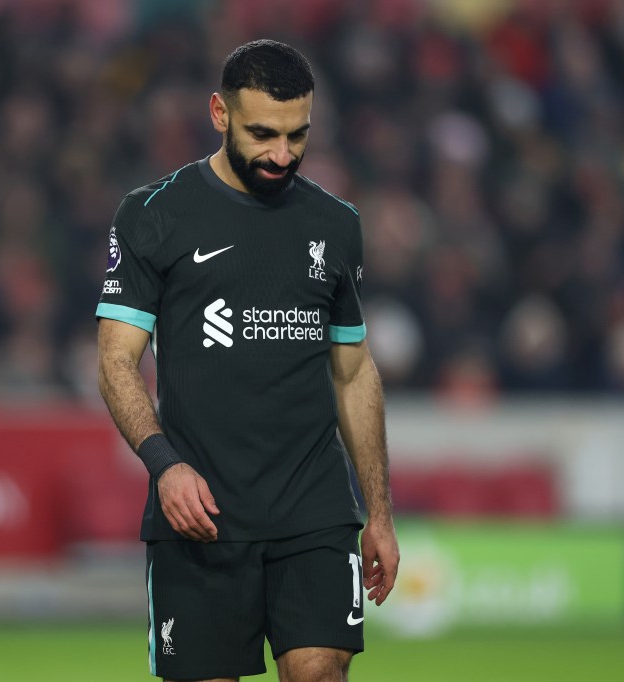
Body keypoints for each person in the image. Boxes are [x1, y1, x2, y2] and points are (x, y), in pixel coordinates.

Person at [96, 39, 400, 682]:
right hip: (201, 515)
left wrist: (378, 512)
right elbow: (116, 364)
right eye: (263, 134)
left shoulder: (336, 225)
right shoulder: (154, 216)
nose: (281, 154)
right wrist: (165, 466)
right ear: (218, 113)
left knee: (320, 672)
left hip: (313, 510)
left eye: (298, 136)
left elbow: (353, 372)